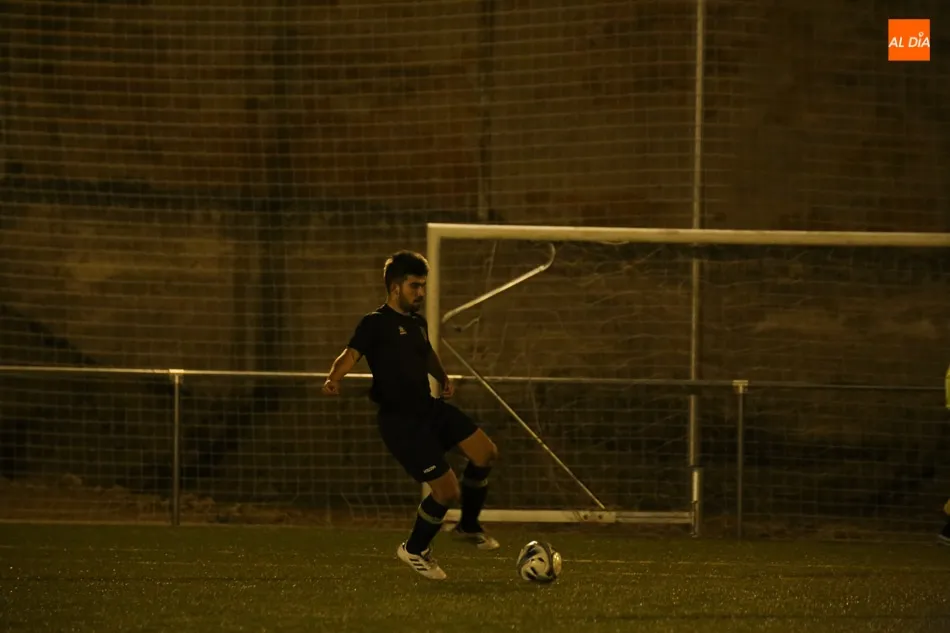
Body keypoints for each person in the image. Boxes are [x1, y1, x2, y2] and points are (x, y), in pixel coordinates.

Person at [322, 250, 500, 580]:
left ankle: (468, 526)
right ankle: (414, 549)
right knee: (446, 492)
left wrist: (442, 377)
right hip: (400, 421)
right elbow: (350, 354)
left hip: (429, 408)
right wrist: (334, 378)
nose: (421, 293)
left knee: (486, 452)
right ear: (395, 287)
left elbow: (427, 353)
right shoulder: (374, 323)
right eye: (414, 286)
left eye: (423, 286)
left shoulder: (417, 323)